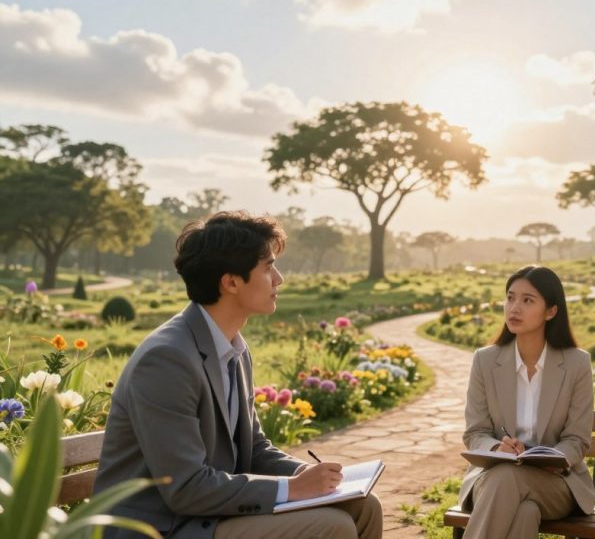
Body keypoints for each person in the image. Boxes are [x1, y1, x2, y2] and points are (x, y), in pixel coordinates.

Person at [94, 212, 382, 539]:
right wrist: (293, 488)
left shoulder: (233, 347)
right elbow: (186, 488)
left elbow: (254, 449)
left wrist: (304, 474)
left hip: (204, 516)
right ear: (231, 282)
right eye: (267, 267)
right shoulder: (167, 360)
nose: (279, 279)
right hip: (161, 526)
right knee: (333, 527)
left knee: (363, 506)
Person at [459, 265, 595, 539]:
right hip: (493, 479)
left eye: (527, 300)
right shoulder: (485, 361)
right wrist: (498, 447)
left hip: (557, 483)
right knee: (525, 512)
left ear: (551, 311)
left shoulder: (576, 363)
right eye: (510, 298)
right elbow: (475, 433)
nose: (514, 308)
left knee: (508, 478)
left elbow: (577, 440)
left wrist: (552, 459)